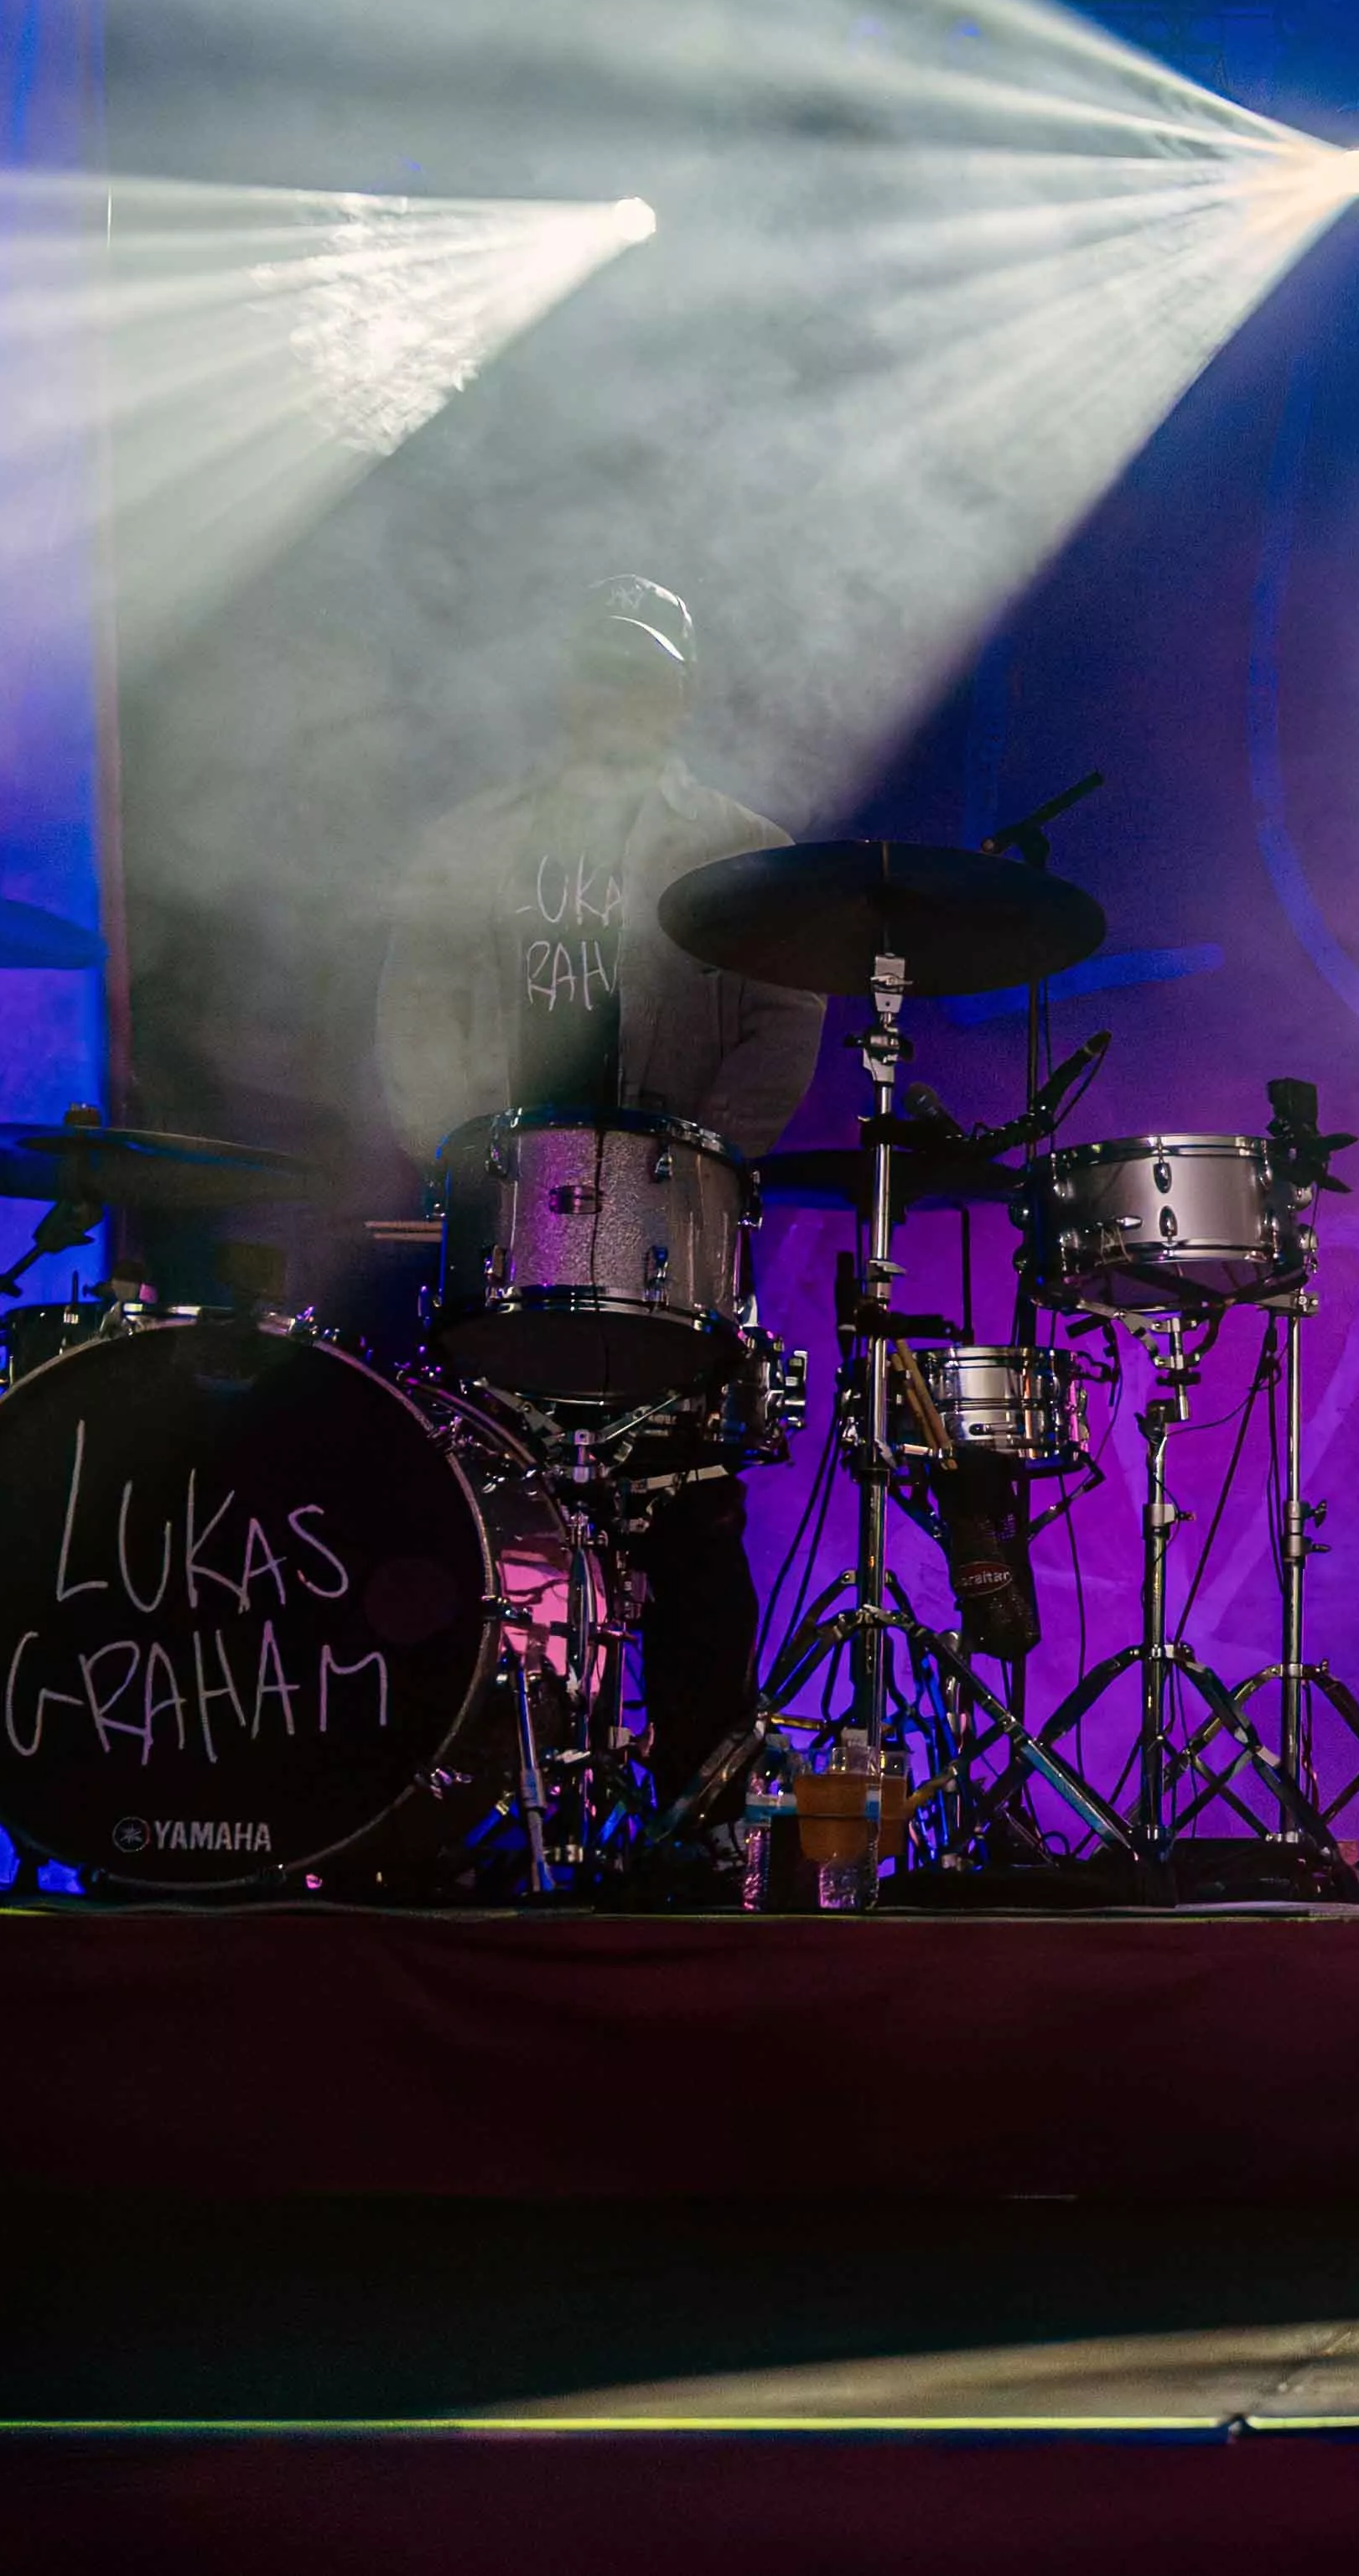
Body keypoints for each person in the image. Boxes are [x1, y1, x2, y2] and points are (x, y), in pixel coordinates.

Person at [371, 578, 820, 1832]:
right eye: (596, 673)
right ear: (564, 692)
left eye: (643, 675)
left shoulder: (740, 847)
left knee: (690, 1522)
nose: (616, 697)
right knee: (475, 1520)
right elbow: (412, 1013)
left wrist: (698, 1165)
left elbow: (785, 1023)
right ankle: (463, 1804)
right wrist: (466, 1155)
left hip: (670, 1238)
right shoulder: (469, 842)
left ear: (677, 696)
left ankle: (694, 1814)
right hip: (508, 1229)